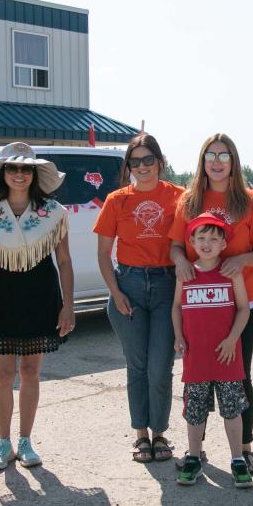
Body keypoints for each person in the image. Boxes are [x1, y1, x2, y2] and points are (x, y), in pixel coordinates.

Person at [0, 142, 75, 471]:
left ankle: (26, 441)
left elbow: (63, 261)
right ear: (2, 174)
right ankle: (3, 442)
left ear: (34, 174)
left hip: (41, 293)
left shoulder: (54, 212)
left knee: (31, 371)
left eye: (25, 169)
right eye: (12, 169)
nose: (19, 175)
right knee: (2, 374)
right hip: (0, 292)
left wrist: (68, 305)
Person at [169, 133, 253, 473]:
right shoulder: (189, 200)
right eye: (210, 155)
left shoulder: (248, 200)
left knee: (239, 378)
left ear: (234, 162)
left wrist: (242, 260)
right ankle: (195, 451)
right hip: (199, 306)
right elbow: (174, 246)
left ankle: (244, 448)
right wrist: (181, 262)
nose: (216, 162)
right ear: (202, 161)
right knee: (197, 382)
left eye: (224, 156)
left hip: (240, 305)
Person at [95, 133, 185, 464]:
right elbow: (104, 254)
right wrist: (115, 291)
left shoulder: (180, 196)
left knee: (161, 366)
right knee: (137, 366)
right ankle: (141, 436)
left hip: (166, 285)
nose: (143, 167)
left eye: (149, 160)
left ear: (160, 162)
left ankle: (160, 432)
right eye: (136, 162)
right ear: (129, 166)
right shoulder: (117, 200)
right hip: (129, 286)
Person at [172, 214, 253, 488]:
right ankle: (193, 457)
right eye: (201, 238)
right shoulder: (186, 272)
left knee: (231, 409)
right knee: (195, 409)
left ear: (223, 244)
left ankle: (238, 459)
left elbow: (243, 309)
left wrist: (232, 339)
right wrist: (178, 335)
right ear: (192, 241)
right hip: (196, 356)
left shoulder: (231, 272)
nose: (207, 243)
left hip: (226, 355)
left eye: (213, 239)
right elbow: (176, 306)